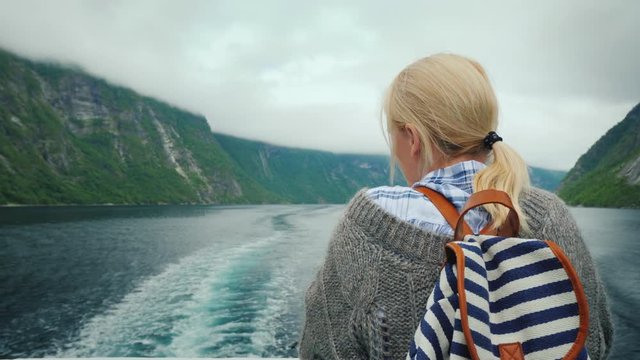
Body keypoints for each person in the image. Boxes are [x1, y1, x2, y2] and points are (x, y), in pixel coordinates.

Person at [299, 53, 613, 359]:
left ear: (412, 138)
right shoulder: (549, 214)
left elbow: (320, 349)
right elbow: (596, 339)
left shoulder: (367, 225)